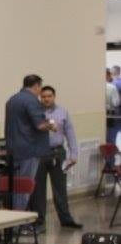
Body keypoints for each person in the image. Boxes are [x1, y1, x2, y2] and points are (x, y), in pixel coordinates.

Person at [29, 85, 82, 228]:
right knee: (38, 190)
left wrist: (74, 154)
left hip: (58, 153)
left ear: (54, 97)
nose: (46, 99)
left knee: (60, 188)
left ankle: (66, 219)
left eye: (49, 96)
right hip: (40, 154)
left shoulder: (62, 112)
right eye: (43, 96)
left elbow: (70, 133)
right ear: (40, 97)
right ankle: (39, 221)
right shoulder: (35, 112)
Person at [4, 74, 53, 210]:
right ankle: (18, 223)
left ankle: (12, 223)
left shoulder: (12, 100)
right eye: (40, 88)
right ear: (36, 86)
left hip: (14, 149)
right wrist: (51, 125)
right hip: (29, 150)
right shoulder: (32, 101)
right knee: (24, 188)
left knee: (16, 187)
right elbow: (40, 125)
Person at [105, 69, 119, 143]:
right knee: (111, 137)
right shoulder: (112, 87)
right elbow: (115, 103)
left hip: (99, 114)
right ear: (107, 75)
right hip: (110, 114)